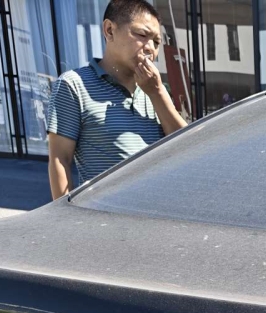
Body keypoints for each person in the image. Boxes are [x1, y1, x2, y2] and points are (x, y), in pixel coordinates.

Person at [46, 0, 187, 200]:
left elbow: (186, 147)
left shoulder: (156, 90)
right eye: (142, 35)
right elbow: (60, 159)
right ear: (110, 30)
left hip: (157, 209)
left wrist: (156, 93)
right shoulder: (74, 85)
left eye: (156, 42)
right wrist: (63, 214)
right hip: (104, 213)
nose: (150, 48)